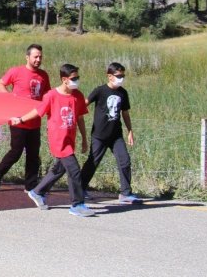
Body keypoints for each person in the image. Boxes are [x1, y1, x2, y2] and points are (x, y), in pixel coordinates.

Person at [11, 64, 93, 217]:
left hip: (70, 139)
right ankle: (77, 204)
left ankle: (37, 191)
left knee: (59, 169)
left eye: (78, 78)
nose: (76, 81)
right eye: (73, 78)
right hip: (58, 140)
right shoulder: (51, 96)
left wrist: (84, 139)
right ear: (64, 79)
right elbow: (38, 110)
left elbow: (80, 118)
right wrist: (20, 119)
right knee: (74, 170)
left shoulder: (78, 96)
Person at [0, 44, 51, 191]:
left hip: (35, 120)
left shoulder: (43, 75)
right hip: (18, 120)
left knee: (33, 154)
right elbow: (0, 84)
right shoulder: (16, 71)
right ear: (27, 57)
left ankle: (30, 185)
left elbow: (47, 95)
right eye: (35, 57)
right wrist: (11, 98)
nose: (38, 59)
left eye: (40, 57)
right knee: (16, 152)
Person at [80, 62, 140, 204]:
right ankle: (80, 187)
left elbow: (125, 113)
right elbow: (84, 104)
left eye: (123, 76)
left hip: (116, 135)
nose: (121, 78)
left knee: (124, 161)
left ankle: (126, 193)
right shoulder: (100, 91)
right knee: (93, 162)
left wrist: (130, 131)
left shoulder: (123, 93)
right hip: (99, 135)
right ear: (110, 76)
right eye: (119, 76)